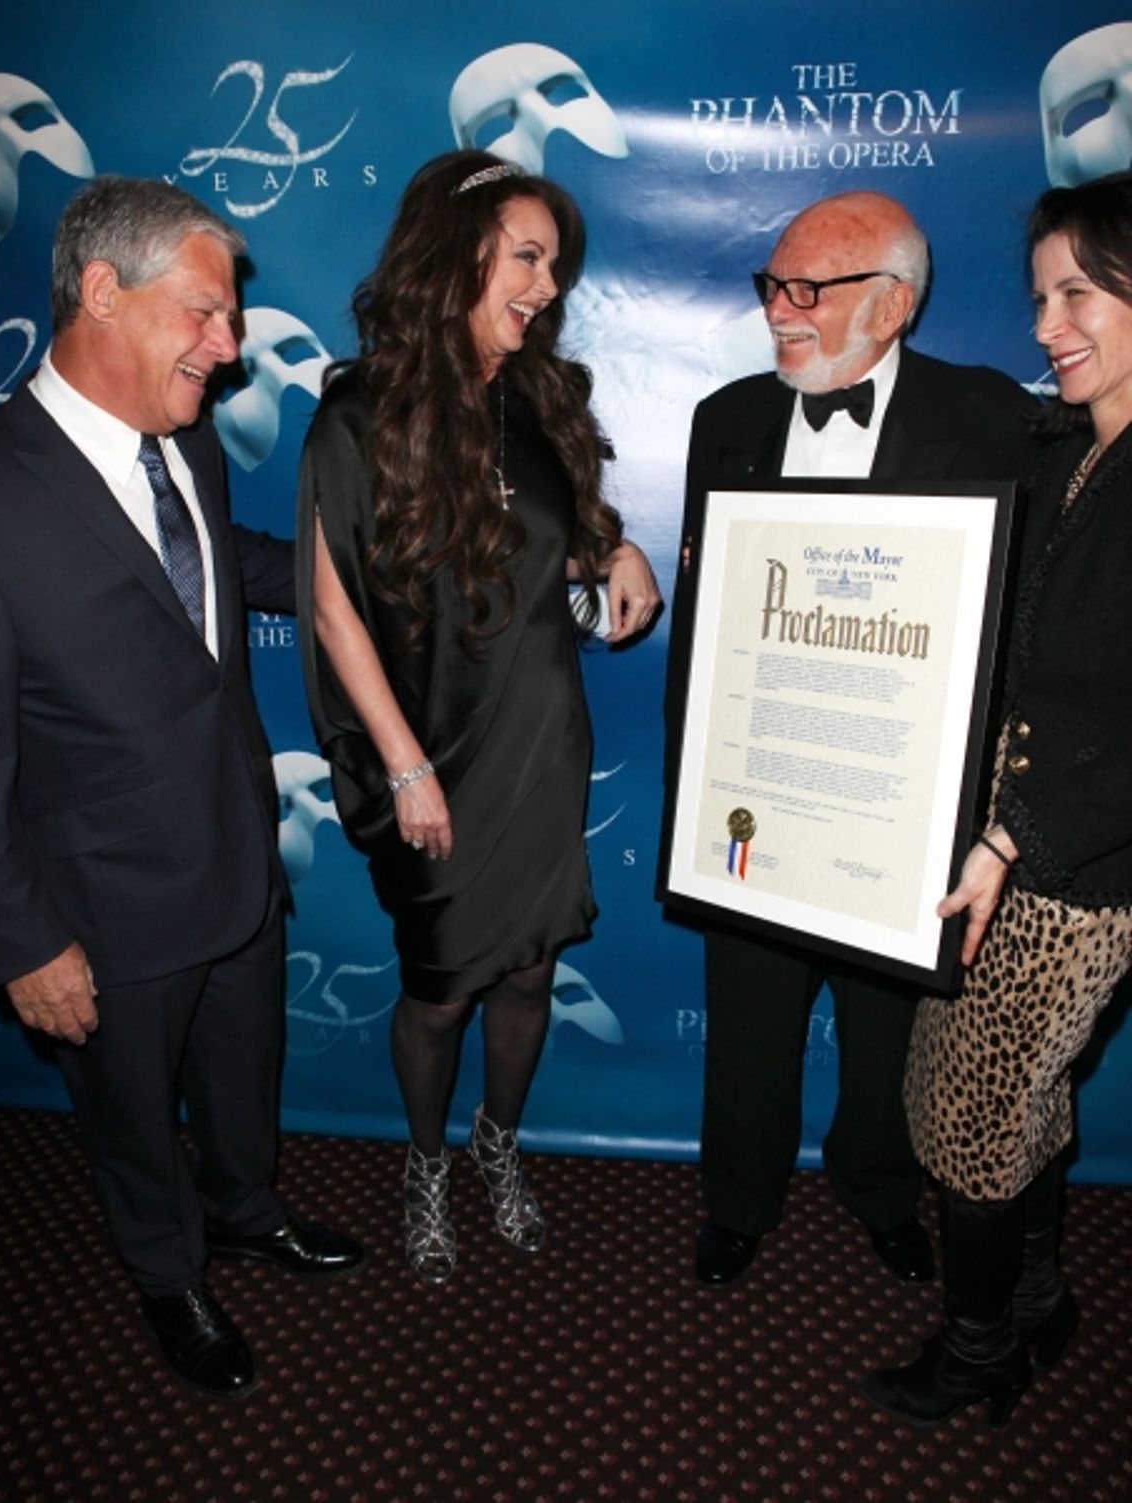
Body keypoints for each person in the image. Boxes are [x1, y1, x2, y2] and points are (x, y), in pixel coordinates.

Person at [0, 177, 364, 1402]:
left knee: (243, 1078)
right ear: (101, 293)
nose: (231, 351)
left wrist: (399, 560)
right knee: (132, 1121)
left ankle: (243, 1211)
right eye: (208, 316)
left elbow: (219, 578)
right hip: (101, 915)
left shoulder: (180, 441)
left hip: (238, 862)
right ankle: (169, 1275)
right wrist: (22, 946)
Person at [297, 150, 659, 1285]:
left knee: (529, 975)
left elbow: (571, 527)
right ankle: (424, 1163)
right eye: (529, 257)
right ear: (458, 252)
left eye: (554, 266)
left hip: (542, 739)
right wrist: (405, 768)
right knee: (443, 988)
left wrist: (620, 547)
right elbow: (331, 606)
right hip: (435, 748)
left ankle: (497, 1146)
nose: (548, 287)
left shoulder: (540, 398)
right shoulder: (358, 413)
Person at [667, 190, 1037, 1291]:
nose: (781, 310)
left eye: (809, 290)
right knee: (746, 1027)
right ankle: (737, 1200)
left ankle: (881, 1192)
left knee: (887, 1039)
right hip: (756, 794)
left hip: (897, 802)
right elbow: (708, 621)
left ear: (893, 303)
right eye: (772, 285)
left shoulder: (992, 416)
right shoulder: (723, 419)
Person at [863, 171, 1132, 1426]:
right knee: (1011, 1100)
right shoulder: (1075, 451)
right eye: (1039, 297)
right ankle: (1034, 1299)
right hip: (1003, 856)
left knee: (974, 1124)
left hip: (1068, 878)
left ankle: (978, 1356)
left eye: (1078, 292)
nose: (1046, 325)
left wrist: (1014, 833)